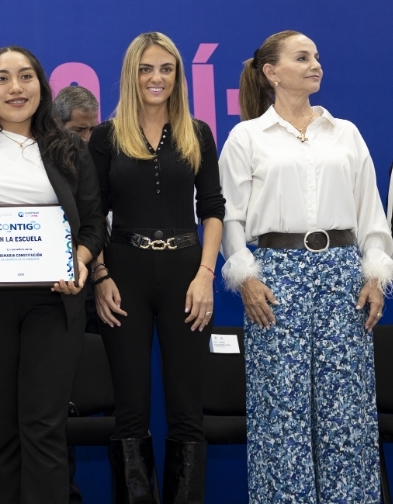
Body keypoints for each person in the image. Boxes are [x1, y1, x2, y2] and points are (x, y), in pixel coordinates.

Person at [219, 30, 392, 502]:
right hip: (275, 280)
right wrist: (246, 277)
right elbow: (229, 216)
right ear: (271, 72)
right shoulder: (246, 137)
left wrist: (375, 273)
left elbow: (370, 213)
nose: (315, 64)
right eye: (301, 57)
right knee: (281, 412)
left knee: (347, 412)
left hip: (343, 277)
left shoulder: (346, 133)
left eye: (316, 56)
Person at [0, 45, 106, 503]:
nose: (16, 88)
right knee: (3, 431)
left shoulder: (69, 149)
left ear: (41, 86)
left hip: (54, 302)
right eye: (3, 78)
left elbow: (93, 223)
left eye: (26, 76)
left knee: (44, 427)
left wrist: (80, 261)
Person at [88, 32, 224, 503]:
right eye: (146, 68)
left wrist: (206, 275)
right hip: (123, 274)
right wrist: (100, 277)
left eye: (166, 69)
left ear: (178, 76)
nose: (156, 78)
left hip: (188, 275)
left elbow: (213, 209)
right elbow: (91, 215)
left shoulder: (198, 132)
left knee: (186, 410)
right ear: (131, 74)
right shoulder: (106, 137)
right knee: (130, 409)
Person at [54, 84, 101, 504]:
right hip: (53, 295)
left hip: (97, 292)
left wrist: (98, 274)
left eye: (91, 131)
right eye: (77, 130)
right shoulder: (49, 159)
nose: (85, 139)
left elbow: (98, 225)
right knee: (55, 405)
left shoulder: (102, 158)